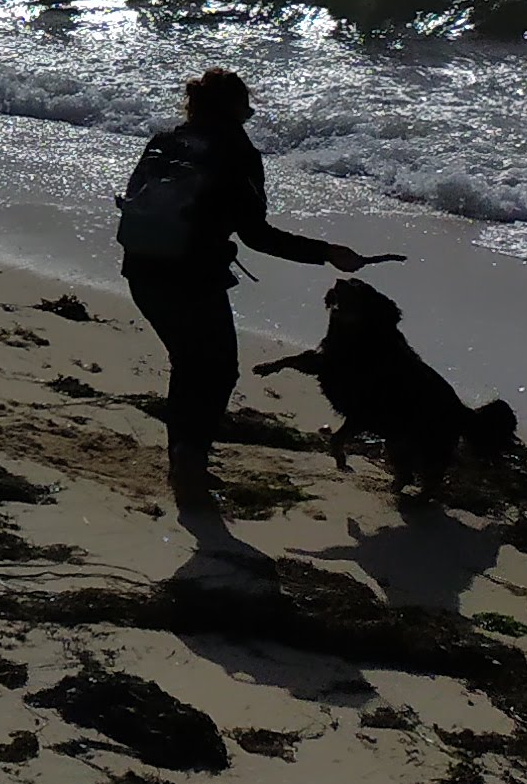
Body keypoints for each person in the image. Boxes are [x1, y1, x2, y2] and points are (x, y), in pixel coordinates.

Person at [116, 68, 366, 509]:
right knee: (216, 371)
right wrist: (326, 252)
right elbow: (258, 236)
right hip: (191, 276)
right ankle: (190, 462)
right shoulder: (237, 152)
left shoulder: (163, 141)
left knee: (189, 364)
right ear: (235, 110)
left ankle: (184, 460)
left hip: (141, 268)